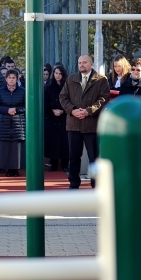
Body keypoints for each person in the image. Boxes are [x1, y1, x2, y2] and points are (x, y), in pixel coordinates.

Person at [59, 55, 109, 189]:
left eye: (84, 62)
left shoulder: (101, 80)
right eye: (79, 62)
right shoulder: (71, 79)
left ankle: (96, 184)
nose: (81, 65)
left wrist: (88, 111)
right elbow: (63, 98)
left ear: (91, 64)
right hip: (73, 124)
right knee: (74, 156)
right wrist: (73, 110)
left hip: (92, 125)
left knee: (94, 157)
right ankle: (74, 184)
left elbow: (103, 99)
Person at [0, 69, 25, 177]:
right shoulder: (1, 91)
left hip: (18, 122)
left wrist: (16, 110)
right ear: (6, 79)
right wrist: (7, 110)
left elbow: (26, 106)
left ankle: (15, 168)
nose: (11, 80)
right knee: (5, 146)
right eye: (9, 77)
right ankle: (6, 168)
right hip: (4, 122)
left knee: (16, 146)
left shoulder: (22, 91)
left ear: (17, 79)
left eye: (14, 78)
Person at [44, 64, 70, 172]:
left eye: (60, 73)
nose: (58, 75)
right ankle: (53, 163)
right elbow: (45, 102)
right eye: (56, 73)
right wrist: (52, 110)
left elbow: (70, 101)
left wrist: (63, 111)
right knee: (52, 141)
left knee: (65, 141)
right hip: (52, 117)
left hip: (64, 117)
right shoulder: (49, 87)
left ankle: (65, 163)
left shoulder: (68, 87)